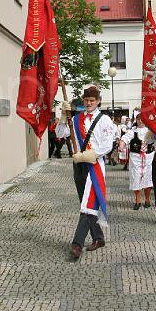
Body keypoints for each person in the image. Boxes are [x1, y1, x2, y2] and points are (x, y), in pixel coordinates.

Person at [60, 85, 116, 260]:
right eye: (86, 100)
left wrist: (88, 154)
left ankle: (76, 244)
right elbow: (60, 133)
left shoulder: (105, 120)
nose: (89, 103)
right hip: (79, 165)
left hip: (94, 165)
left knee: (88, 205)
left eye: (92, 100)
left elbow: (108, 145)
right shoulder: (76, 119)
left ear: (98, 101)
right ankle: (98, 238)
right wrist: (63, 117)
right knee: (85, 203)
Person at [120, 114, 155, 209]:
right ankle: (138, 200)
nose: (140, 121)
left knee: (148, 178)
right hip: (136, 158)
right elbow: (125, 138)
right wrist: (122, 145)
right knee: (136, 178)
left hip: (148, 158)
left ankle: (147, 199)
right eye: (138, 119)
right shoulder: (132, 131)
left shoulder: (151, 130)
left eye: (142, 119)